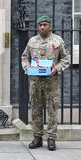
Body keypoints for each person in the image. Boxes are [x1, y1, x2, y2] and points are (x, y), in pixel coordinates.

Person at [21, 15, 70, 151]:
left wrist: (57, 68)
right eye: (40, 25)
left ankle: (51, 138)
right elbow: (25, 57)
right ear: (37, 27)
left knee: (52, 110)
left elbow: (65, 58)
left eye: (45, 24)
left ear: (50, 26)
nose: (42, 27)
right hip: (35, 82)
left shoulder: (57, 40)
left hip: (51, 82)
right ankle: (37, 137)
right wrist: (27, 67)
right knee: (36, 110)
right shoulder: (32, 41)